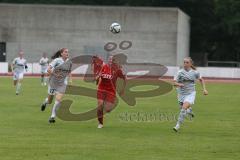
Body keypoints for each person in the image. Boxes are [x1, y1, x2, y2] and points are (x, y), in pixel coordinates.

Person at [173, 57, 208, 132]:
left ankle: (177, 125)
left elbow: (201, 80)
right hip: (181, 93)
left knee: (183, 109)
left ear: (190, 64)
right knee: (183, 108)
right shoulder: (180, 72)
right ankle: (189, 110)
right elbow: (174, 83)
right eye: (184, 62)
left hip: (191, 93)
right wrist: (179, 84)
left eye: (187, 62)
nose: (185, 64)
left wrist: (204, 89)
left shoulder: (195, 72)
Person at [40, 48, 72, 123]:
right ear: (61, 53)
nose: (67, 53)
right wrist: (55, 74)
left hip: (62, 83)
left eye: (68, 52)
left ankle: (52, 117)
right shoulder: (57, 60)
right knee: (50, 101)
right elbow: (48, 69)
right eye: (65, 52)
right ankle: (45, 102)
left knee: (58, 99)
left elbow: (69, 71)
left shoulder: (69, 62)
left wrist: (70, 80)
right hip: (53, 83)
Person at [96, 55, 126, 128]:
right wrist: (97, 78)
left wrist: (122, 89)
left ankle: (106, 108)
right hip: (101, 89)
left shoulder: (117, 70)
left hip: (111, 91)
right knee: (100, 106)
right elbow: (97, 81)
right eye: (109, 59)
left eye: (112, 59)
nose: (110, 60)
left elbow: (124, 78)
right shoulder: (104, 67)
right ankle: (100, 123)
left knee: (108, 109)